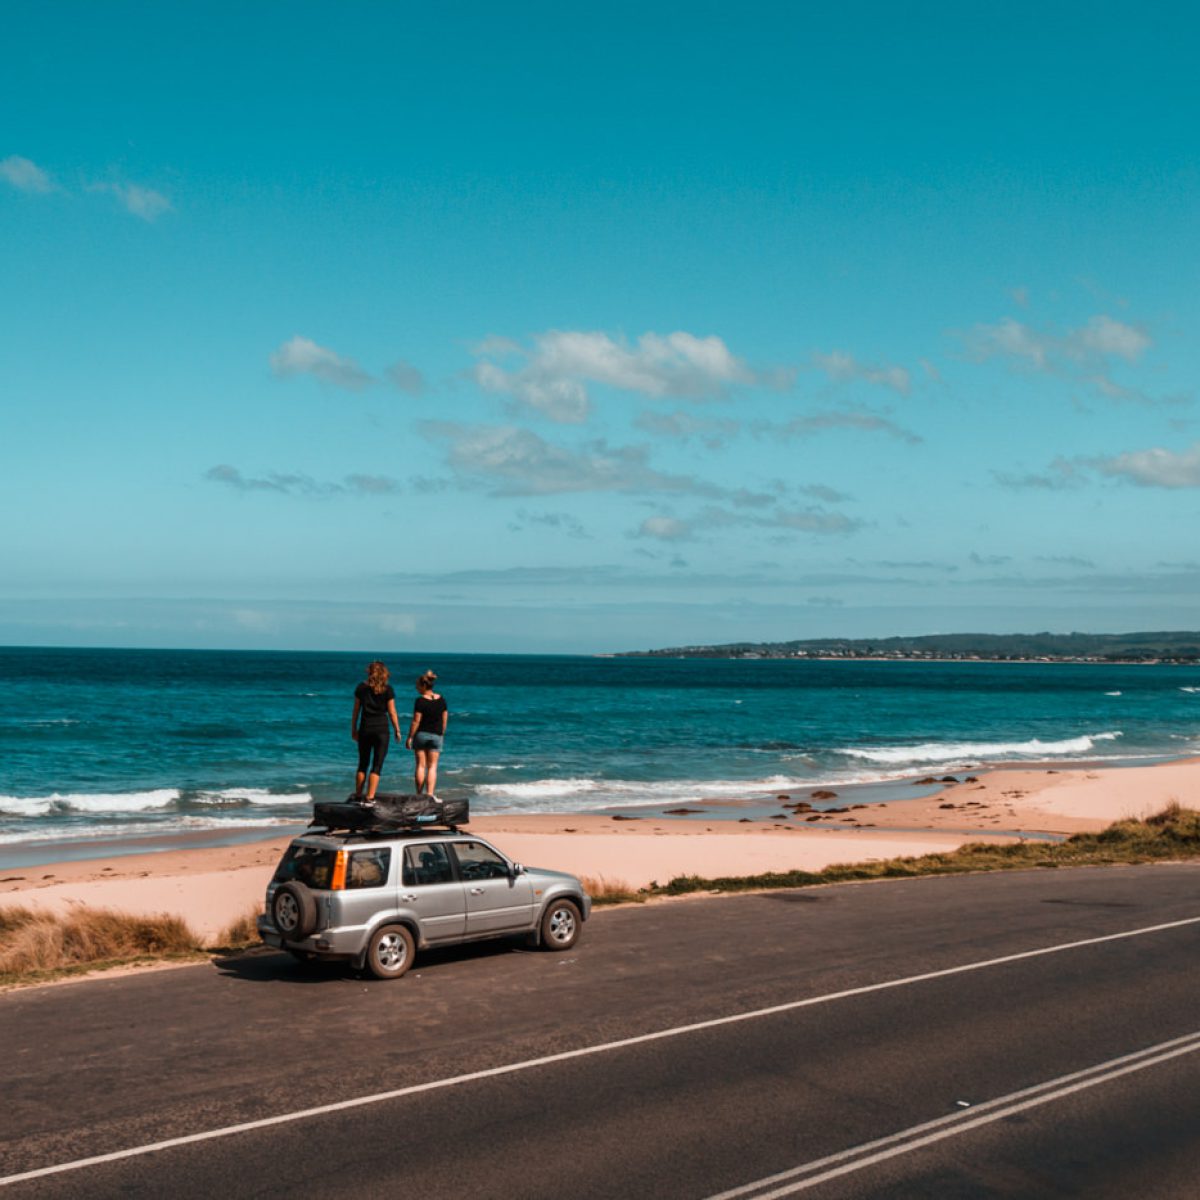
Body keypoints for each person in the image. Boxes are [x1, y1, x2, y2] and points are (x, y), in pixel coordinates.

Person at [351, 661, 402, 800]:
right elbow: (392, 712)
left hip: (365, 728)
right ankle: (370, 798)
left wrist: (353, 729)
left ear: (369, 672)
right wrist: (397, 729)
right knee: (377, 764)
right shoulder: (388, 689)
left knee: (362, 764)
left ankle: (358, 795)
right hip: (382, 730)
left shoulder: (361, 688)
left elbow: (356, 711)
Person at [406, 670, 449, 796]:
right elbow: (445, 720)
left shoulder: (420, 701)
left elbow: (416, 721)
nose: (416, 688)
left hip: (421, 735)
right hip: (437, 735)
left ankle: (419, 794)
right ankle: (430, 795)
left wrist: (409, 737)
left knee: (420, 766)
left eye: (417, 686)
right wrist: (442, 733)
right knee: (432, 767)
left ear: (423, 686)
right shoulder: (442, 700)